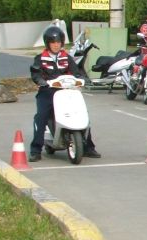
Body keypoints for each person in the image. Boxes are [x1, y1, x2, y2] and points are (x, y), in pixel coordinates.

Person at [28, 25, 100, 162]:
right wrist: (41, 81)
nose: (56, 45)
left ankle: (88, 147)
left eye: (58, 42)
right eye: (53, 42)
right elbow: (35, 74)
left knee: (82, 114)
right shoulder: (40, 58)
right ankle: (35, 150)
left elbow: (77, 72)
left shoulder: (67, 58)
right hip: (48, 92)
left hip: (67, 92)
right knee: (41, 117)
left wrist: (83, 79)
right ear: (47, 43)